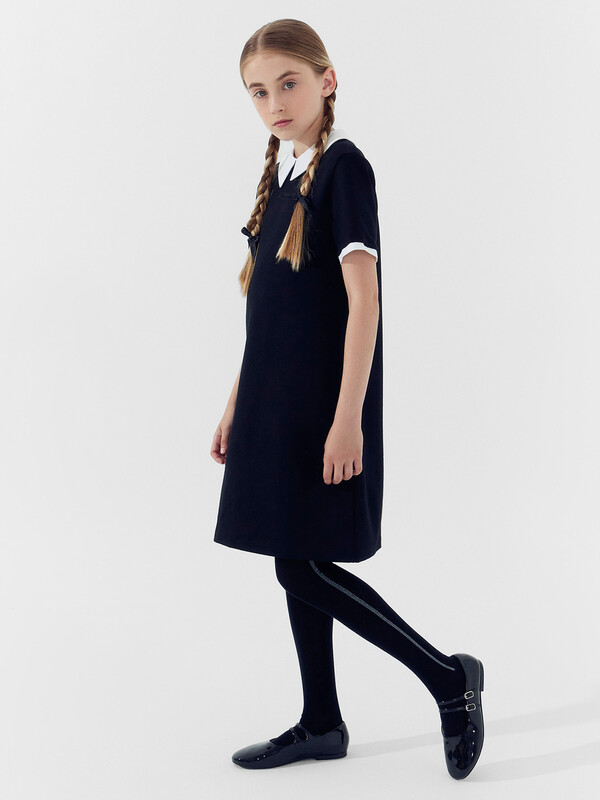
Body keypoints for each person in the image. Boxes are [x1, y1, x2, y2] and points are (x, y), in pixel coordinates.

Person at [210, 18, 485, 779]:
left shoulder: (344, 170)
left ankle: (448, 678)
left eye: (288, 84)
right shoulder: (281, 181)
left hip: (321, 410)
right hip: (271, 406)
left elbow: (365, 304)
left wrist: (347, 420)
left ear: (326, 81)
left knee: (303, 567)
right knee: (292, 555)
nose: (274, 104)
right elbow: (265, 316)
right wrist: (235, 404)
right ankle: (322, 721)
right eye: (258, 92)